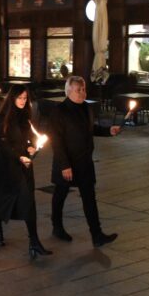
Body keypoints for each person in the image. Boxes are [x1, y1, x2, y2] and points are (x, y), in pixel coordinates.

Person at [50, 76, 120, 247]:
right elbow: (56, 141)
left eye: (83, 89)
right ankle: (57, 227)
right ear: (68, 91)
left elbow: (90, 128)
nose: (82, 92)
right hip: (67, 162)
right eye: (78, 90)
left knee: (89, 198)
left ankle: (97, 234)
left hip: (85, 162)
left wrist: (107, 130)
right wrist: (64, 165)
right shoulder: (60, 111)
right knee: (60, 194)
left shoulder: (86, 108)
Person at [0, 85, 52, 260]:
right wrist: (19, 156)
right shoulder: (2, 117)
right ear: (12, 98)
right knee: (1, 198)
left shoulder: (26, 116)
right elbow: (3, 143)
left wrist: (30, 146)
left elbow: (29, 137)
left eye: (25, 98)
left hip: (23, 166)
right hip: (6, 165)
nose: (23, 101)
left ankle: (34, 242)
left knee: (28, 201)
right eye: (20, 98)